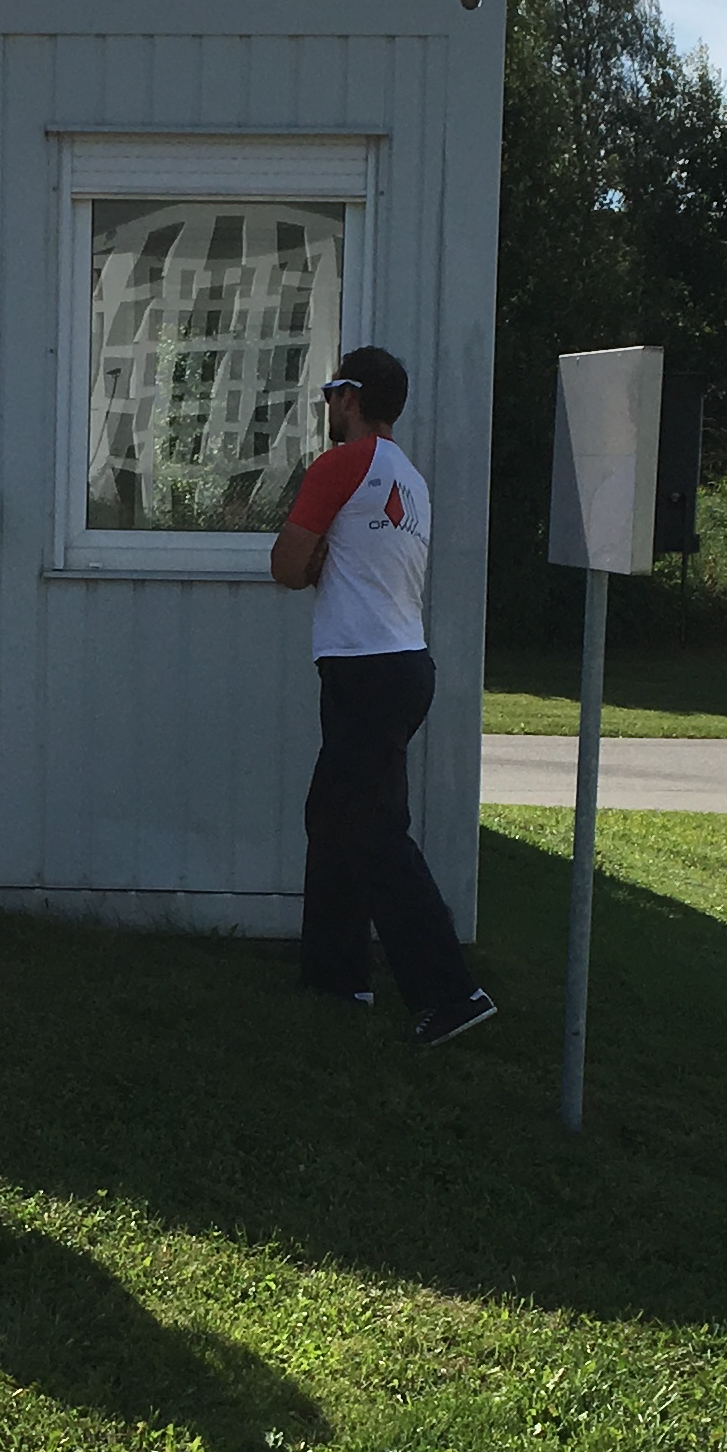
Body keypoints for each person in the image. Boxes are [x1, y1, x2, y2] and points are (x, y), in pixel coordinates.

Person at [270, 345, 495, 1046]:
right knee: (333, 816)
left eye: (331, 391)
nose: (327, 404)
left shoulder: (340, 465)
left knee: (371, 831)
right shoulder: (410, 480)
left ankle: (452, 994)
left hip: (365, 671)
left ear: (350, 396)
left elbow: (286, 565)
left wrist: (312, 558)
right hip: (400, 665)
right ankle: (335, 977)